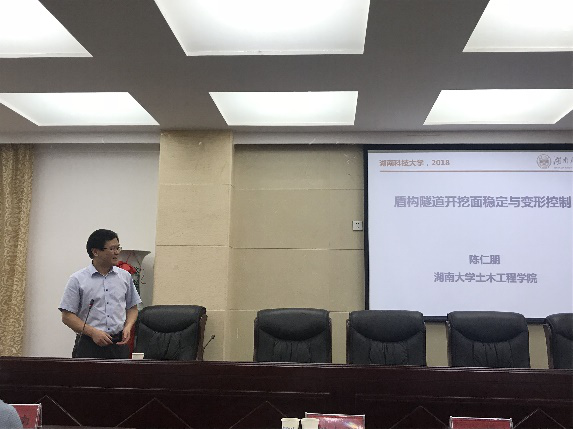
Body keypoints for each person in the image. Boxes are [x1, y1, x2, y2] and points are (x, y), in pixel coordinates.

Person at [59, 229, 141, 359]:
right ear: (95, 252)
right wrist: (92, 332)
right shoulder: (78, 279)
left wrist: (128, 327)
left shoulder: (125, 276)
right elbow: (67, 316)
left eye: (118, 248)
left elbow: (132, 308)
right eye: (112, 249)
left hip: (118, 345)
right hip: (89, 344)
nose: (117, 252)